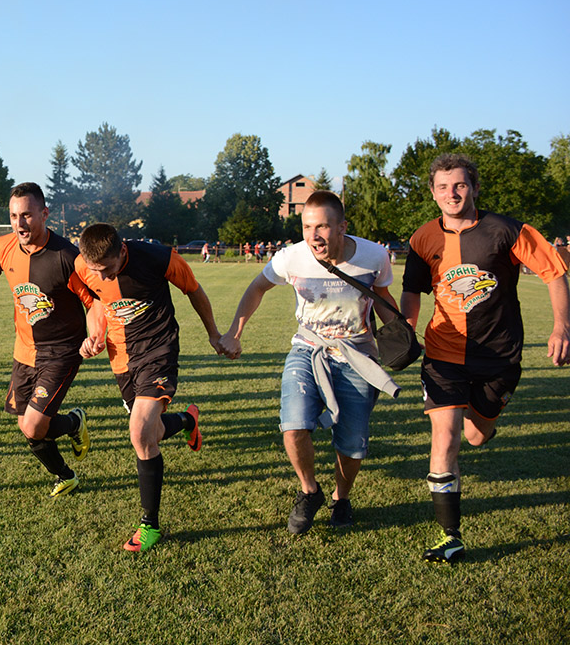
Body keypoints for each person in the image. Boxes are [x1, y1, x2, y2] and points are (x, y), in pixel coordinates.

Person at [399, 153, 569, 563]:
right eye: (442, 187)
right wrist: (405, 329)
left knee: (474, 435)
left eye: (459, 185)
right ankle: (450, 536)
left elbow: (555, 273)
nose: (451, 194)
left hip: (499, 354)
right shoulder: (423, 238)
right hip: (443, 352)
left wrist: (563, 326)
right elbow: (412, 291)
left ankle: (483, 426)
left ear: (474, 187)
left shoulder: (507, 230)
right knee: (447, 436)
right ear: (433, 193)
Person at [220, 190, 401, 535]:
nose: (314, 235)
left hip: (357, 354)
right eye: (307, 227)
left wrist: (400, 333)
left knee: (352, 443)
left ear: (342, 226)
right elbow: (257, 287)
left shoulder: (374, 256)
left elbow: (382, 297)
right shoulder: (291, 258)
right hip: (308, 347)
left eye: (322, 227)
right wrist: (234, 332)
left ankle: (341, 498)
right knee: (293, 425)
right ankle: (309, 492)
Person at [75, 224, 224, 552]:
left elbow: (194, 291)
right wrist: (95, 335)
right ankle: (187, 421)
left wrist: (214, 334)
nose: (104, 277)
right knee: (151, 434)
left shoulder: (160, 257)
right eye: (96, 271)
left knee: (140, 433)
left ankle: (150, 525)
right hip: (121, 358)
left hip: (159, 350)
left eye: (109, 270)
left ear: (122, 252)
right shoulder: (84, 266)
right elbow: (97, 301)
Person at [0, 183, 94, 498]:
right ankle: (69, 448)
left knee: (32, 426)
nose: (20, 223)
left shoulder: (68, 256)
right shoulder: (4, 245)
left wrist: (95, 336)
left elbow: (93, 302)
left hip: (62, 351)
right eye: (14, 216)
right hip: (24, 349)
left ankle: (68, 458)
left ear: (44, 214)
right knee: (28, 425)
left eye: (27, 215)